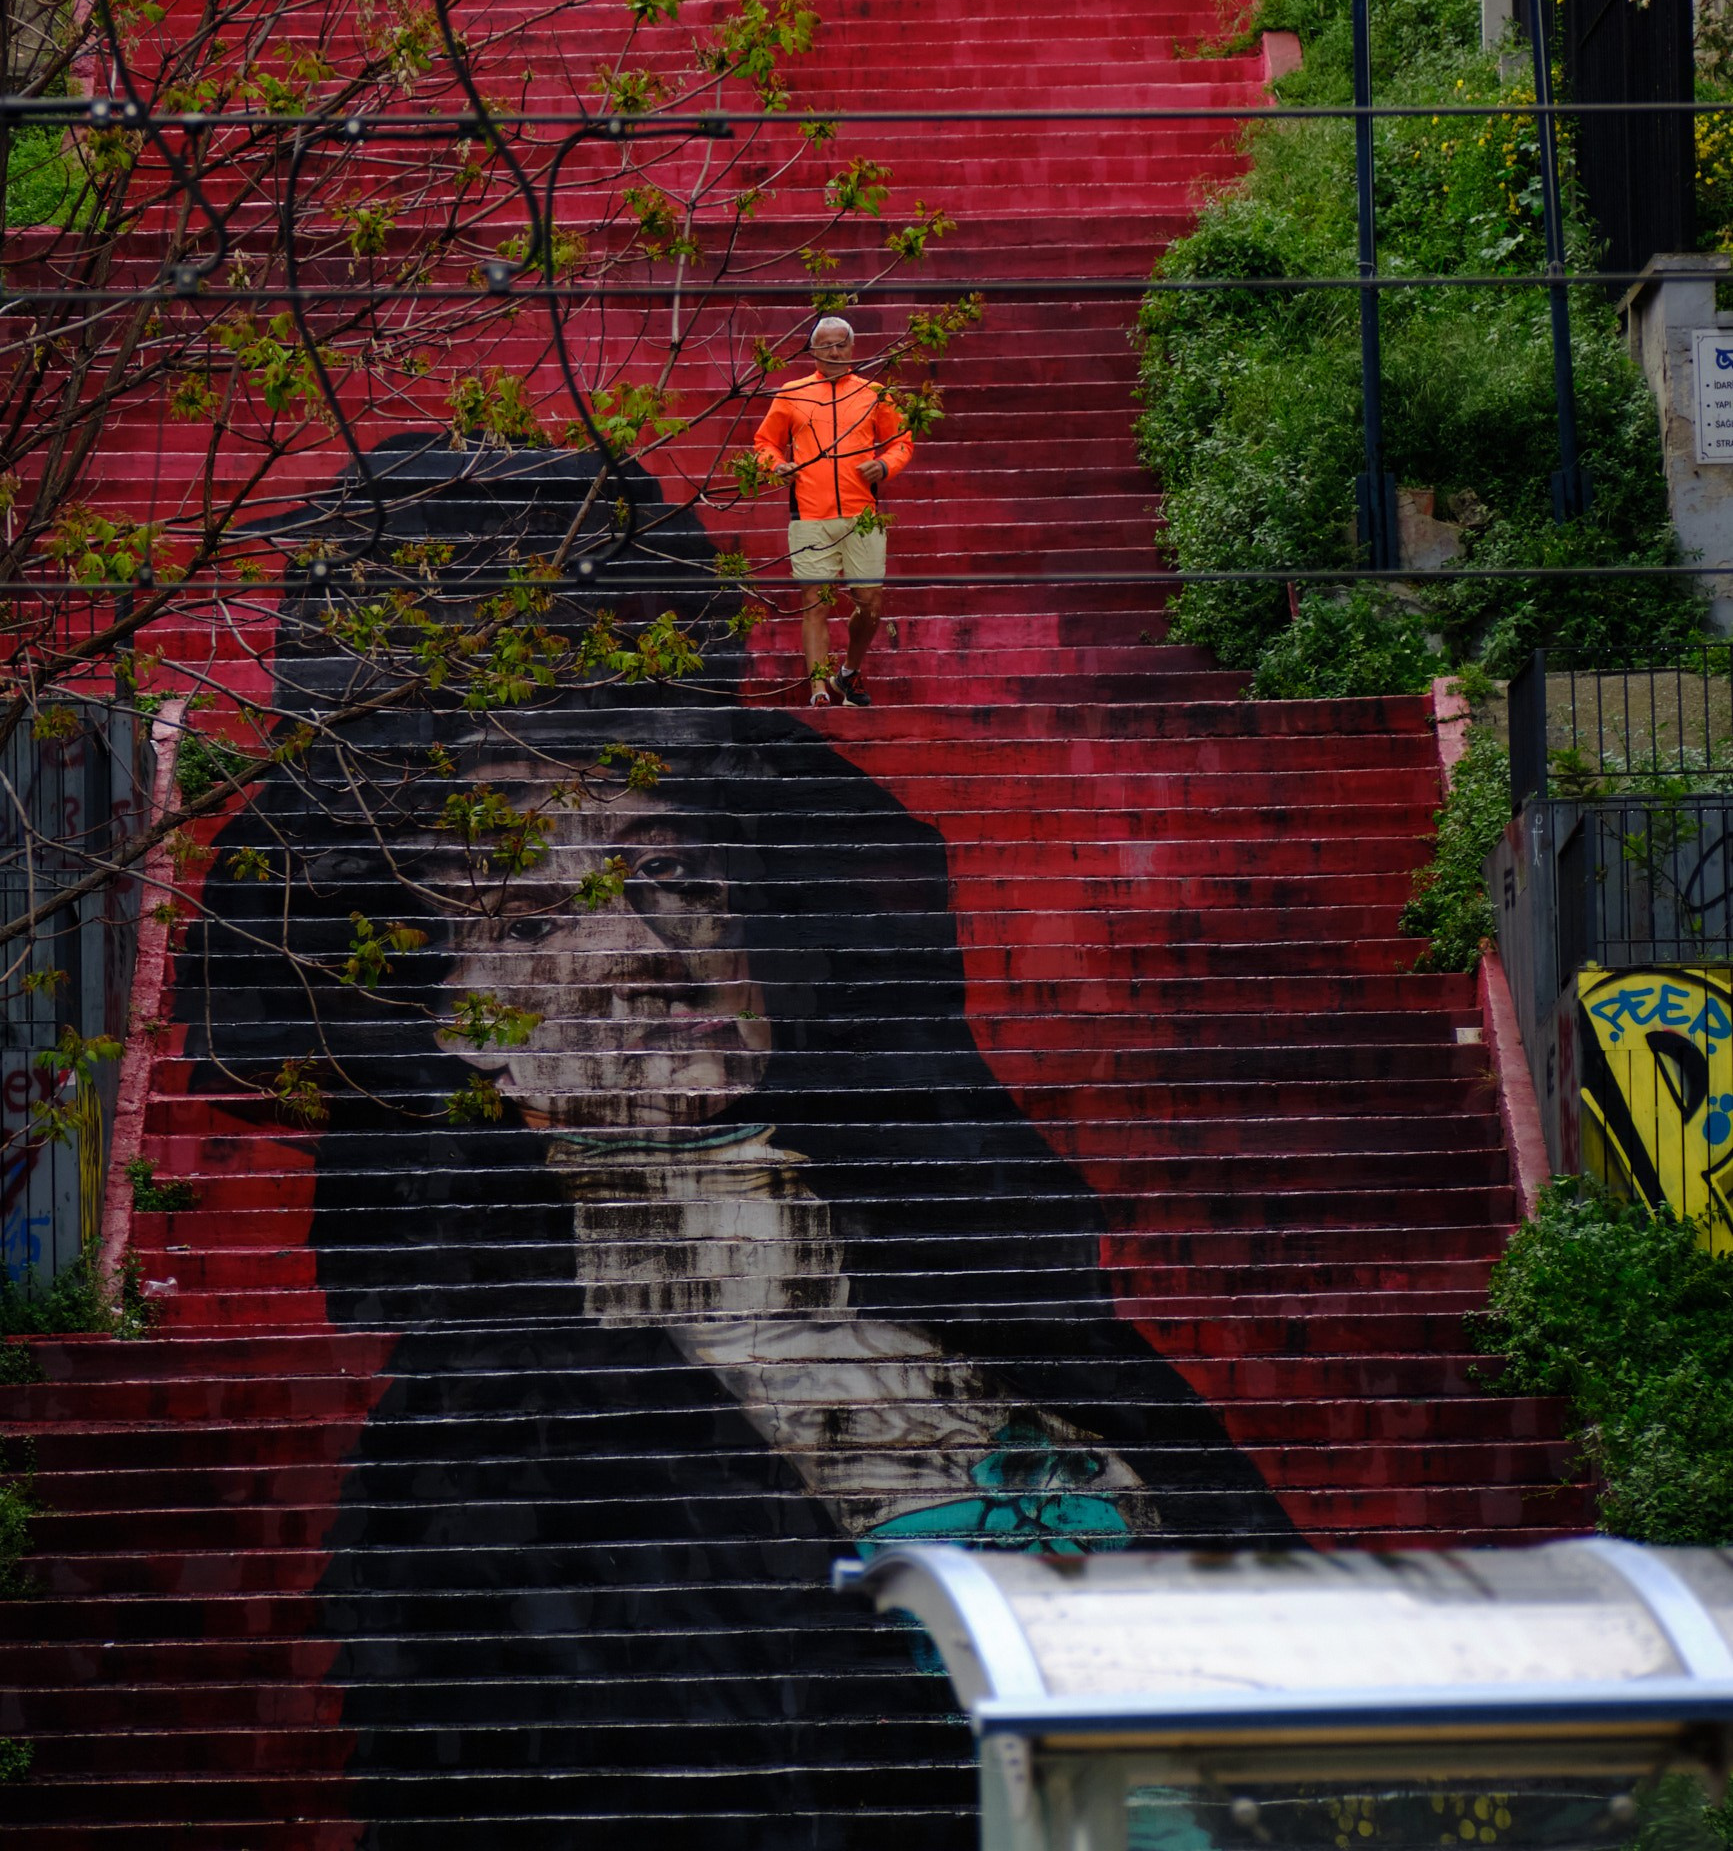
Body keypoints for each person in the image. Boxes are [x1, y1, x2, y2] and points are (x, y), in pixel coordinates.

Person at [180, 442, 1295, 1851]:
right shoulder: (493, 1489)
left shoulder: (1051, 1345)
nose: (640, 948)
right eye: (532, 918)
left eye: (668, 872)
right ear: (446, 1016)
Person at [752, 315, 912, 707]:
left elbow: (901, 442)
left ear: (852, 348)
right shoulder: (792, 393)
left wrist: (885, 465)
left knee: (870, 602)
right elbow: (764, 443)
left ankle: (848, 673)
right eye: (826, 345)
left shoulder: (874, 393)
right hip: (809, 515)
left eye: (841, 344)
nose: (835, 352)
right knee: (815, 602)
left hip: (863, 516)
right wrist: (776, 466)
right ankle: (819, 690)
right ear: (812, 350)